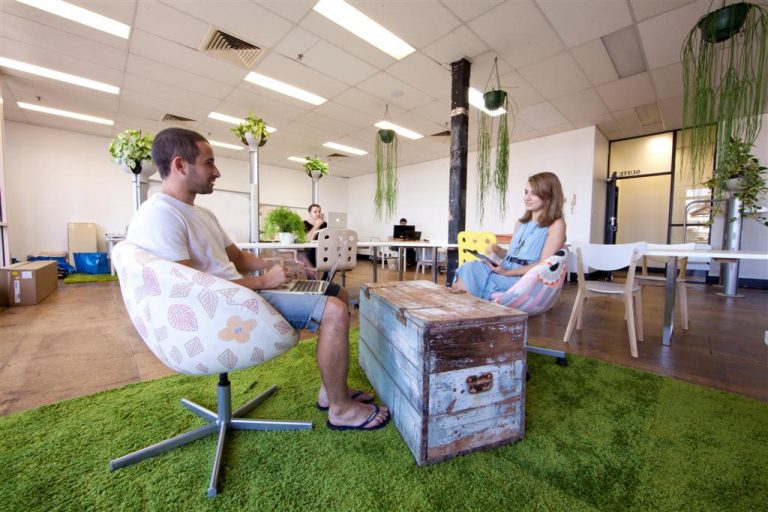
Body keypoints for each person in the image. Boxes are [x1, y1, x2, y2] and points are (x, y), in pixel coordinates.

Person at [126, 128, 389, 431]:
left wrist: (282, 265)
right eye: (209, 163)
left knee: (338, 293)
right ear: (180, 165)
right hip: (221, 309)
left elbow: (239, 259)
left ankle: (331, 392)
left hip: (239, 294)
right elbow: (189, 291)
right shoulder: (160, 215)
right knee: (334, 310)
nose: (217, 171)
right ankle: (341, 410)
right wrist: (264, 282)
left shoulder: (202, 213)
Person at [452, 172, 566, 299]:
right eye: (526, 192)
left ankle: (463, 312)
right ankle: (464, 312)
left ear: (549, 196)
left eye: (534, 193)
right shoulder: (520, 223)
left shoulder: (556, 225)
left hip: (524, 278)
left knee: (469, 279)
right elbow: (514, 256)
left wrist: (508, 273)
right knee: (469, 267)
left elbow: (544, 266)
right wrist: (498, 250)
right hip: (504, 269)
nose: (527, 198)